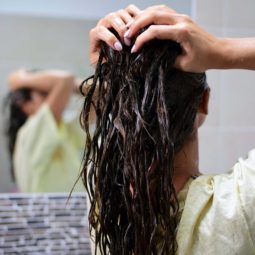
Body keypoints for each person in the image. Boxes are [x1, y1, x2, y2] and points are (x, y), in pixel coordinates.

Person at [82, 4, 255, 255]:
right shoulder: (237, 207)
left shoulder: (106, 202)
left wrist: (112, 72)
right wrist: (220, 49)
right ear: (203, 101)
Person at [5, 69, 89, 193]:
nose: (54, 96)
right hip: (54, 211)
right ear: (25, 105)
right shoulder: (31, 132)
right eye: (45, 93)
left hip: (71, 210)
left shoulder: (63, 126)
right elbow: (65, 80)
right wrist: (19, 80)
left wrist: (70, 85)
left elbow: (99, 92)